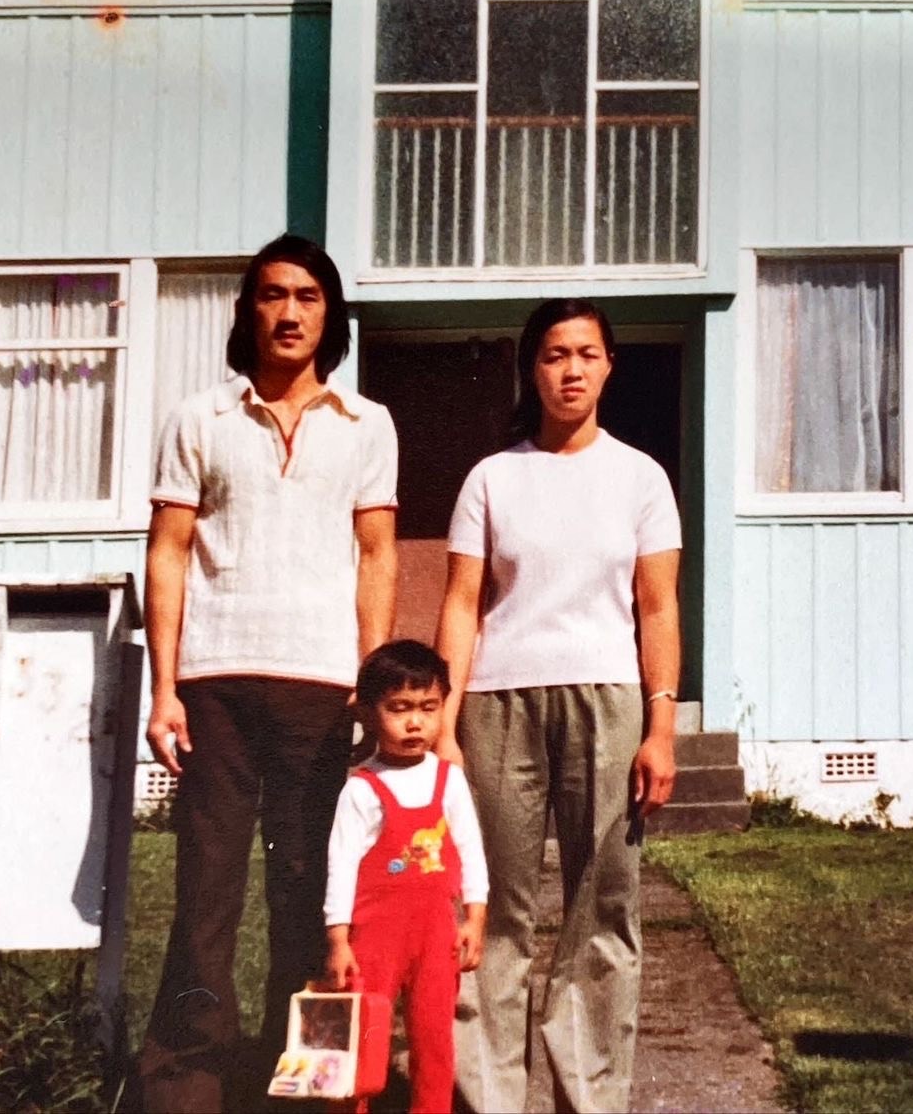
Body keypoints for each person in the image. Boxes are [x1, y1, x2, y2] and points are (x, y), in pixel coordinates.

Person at [134, 235, 399, 1114]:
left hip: (321, 692)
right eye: (273, 296)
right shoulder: (198, 419)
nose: (289, 313)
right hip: (215, 684)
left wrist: (370, 679)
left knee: (309, 898)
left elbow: (376, 558)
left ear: (332, 315)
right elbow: (167, 555)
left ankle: (307, 1087)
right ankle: (186, 1086)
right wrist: (164, 687)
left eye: (309, 298)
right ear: (248, 311)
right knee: (206, 899)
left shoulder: (368, 426)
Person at [435, 299, 682, 1113]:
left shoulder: (641, 477)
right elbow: (463, 603)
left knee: (600, 907)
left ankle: (589, 1096)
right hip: (496, 702)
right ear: (530, 368)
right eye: (552, 354)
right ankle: (490, 1097)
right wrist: (443, 726)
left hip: (608, 703)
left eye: (585, 353)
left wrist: (661, 727)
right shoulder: (492, 477)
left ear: (610, 365)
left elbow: (656, 608)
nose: (570, 369)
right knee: (490, 909)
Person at [322, 641, 489, 1114]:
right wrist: (339, 939)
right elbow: (342, 866)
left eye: (427, 708)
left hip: (436, 936)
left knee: (434, 1041)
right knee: (361, 1039)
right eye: (399, 709)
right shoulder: (361, 789)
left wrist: (475, 918)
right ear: (371, 715)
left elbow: (471, 851)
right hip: (373, 938)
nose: (415, 722)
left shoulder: (448, 779)